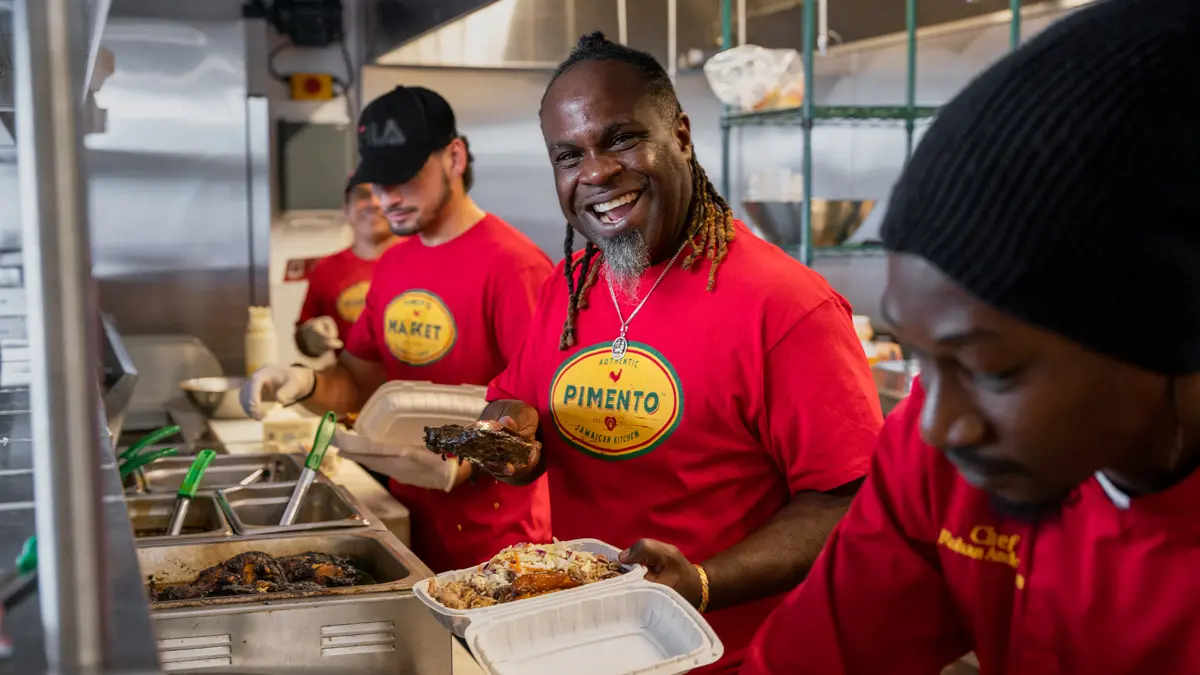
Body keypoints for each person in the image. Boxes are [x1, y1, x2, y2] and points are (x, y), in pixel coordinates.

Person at [741, 1, 1200, 673]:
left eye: (992, 369)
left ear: (1171, 327)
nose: (935, 424)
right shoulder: (943, 460)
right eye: (924, 358)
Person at [475, 33, 883, 673]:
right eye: (568, 155)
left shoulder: (784, 305)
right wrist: (510, 433)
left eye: (620, 139)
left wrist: (701, 582)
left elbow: (852, 503)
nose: (597, 172)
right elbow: (514, 396)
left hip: (738, 656)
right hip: (587, 644)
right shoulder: (572, 285)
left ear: (683, 137)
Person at [240, 85, 554, 573]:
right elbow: (357, 383)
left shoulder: (515, 267)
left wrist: (465, 458)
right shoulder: (395, 264)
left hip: (498, 544)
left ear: (454, 156)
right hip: (409, 522)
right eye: (378, 184)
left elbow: (541, 417)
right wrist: (302, 382)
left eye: (404, 177)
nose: (388, 198)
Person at [295, 182, 400, 359]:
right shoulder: (326, 269)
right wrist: (310, 338)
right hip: (350, 383)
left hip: (412, 384)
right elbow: (304, 341)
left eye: (382, 194)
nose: (374, 203)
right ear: (346, 209)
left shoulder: (426, 262)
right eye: (363, 196)